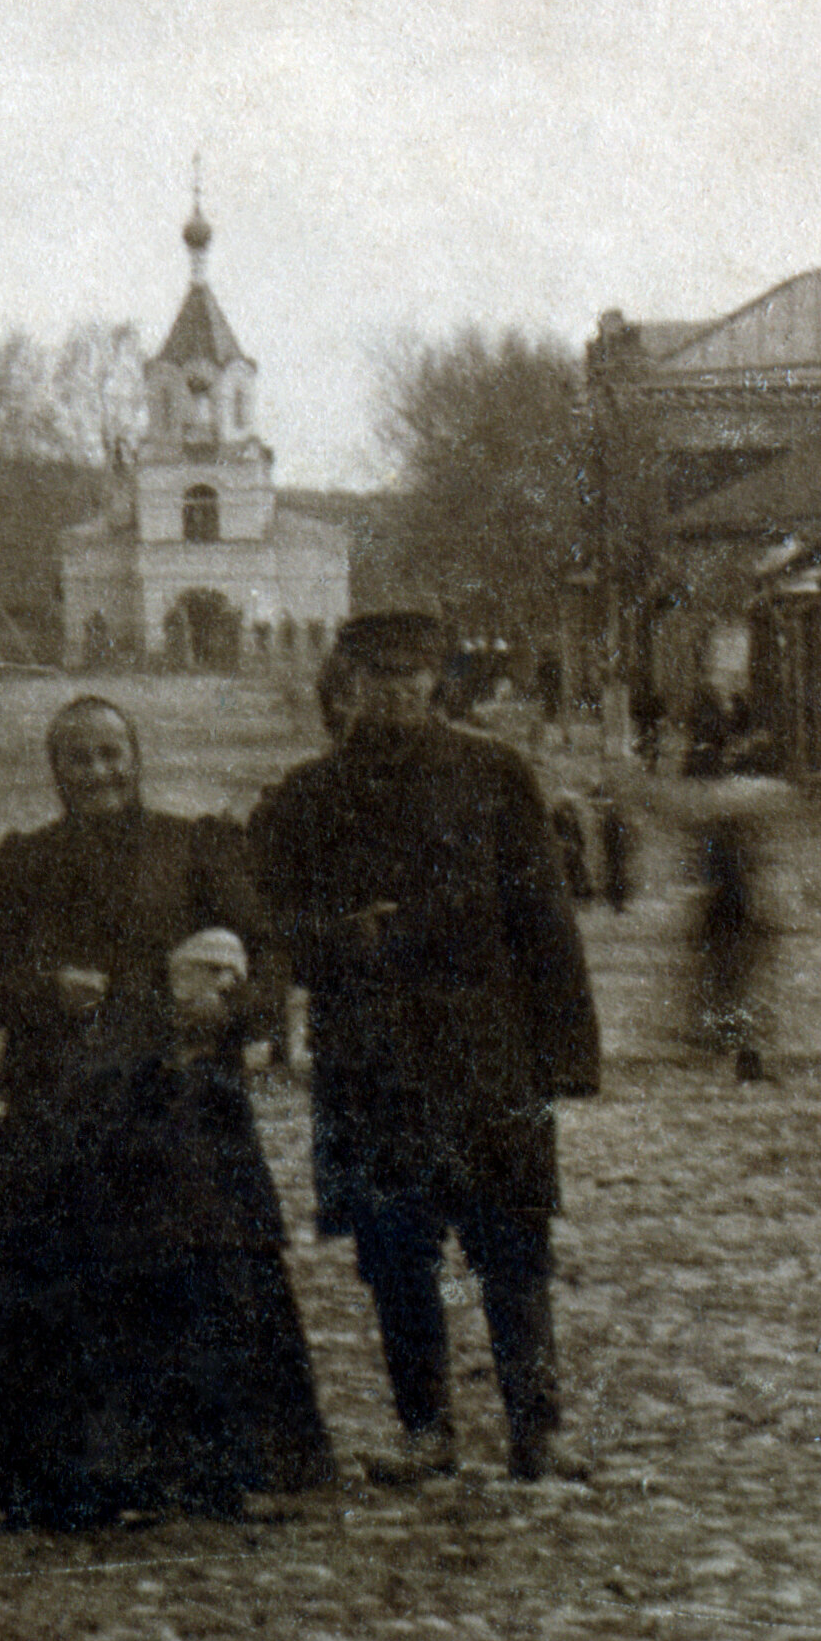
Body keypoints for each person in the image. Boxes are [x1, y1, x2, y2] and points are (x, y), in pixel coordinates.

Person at [0, 697, 334, 1531]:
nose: (98, 772)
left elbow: (267, 962)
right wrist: (46, 991)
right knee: (62, 1286)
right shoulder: (22, 860)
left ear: (136, 756)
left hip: (180, 1109)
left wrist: (227, 1014)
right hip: (62, 1115)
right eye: (78, 758)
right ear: (56, 770)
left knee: (196, 1279)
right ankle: (72, 1475)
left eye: (112, 753)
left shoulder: (194, 847)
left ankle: (208, 1467)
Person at [247, 608, 605, 1485]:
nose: (398, 689)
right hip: (373, 1054)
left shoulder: (495, 774)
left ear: (438, 679)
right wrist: (337, 940)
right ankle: (424, 1428)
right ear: (348, 685)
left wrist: (567, 1049)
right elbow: (263, 926)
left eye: (414, 673)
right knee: (396, 1248)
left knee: (512, 1241)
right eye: (377, 674)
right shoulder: (306, 798)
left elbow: (545, 918)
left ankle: (537, 1426)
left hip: (489, 1046)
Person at [686, 796, 785, 1085]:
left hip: (727, 936)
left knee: (729, 994)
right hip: (734, 938)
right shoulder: (736, 873)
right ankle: (744, 1059)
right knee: (739, 996)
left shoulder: (723, 866)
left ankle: (736, 1053)